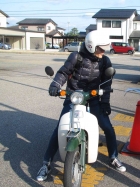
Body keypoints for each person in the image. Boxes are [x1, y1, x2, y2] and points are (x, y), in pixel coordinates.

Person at [37, 30, 126, 182]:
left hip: (93, 98)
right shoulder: (76, 57)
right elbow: (63, 73)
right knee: (60, 127)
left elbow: (106, 84)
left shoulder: (105, 61)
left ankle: (113, 157)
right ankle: (46, 164)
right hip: (74, 97)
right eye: (101, 48)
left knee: (107, 127)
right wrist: (55, 85)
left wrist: (105, 103)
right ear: (91, 46)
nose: (104, 51)